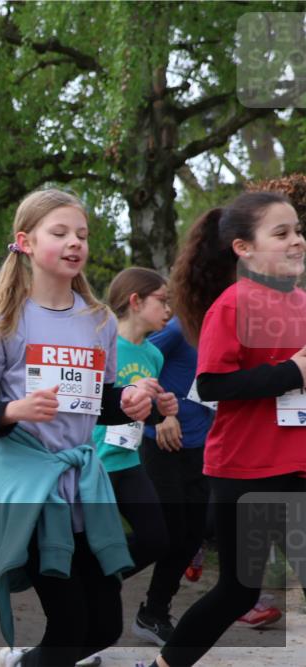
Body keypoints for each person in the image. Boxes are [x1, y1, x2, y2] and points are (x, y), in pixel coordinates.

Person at [0, 188, 159, 667]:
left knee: (105, 628)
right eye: (61, 232)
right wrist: (12, 412)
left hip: (86, 485)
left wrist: (129, 403)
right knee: (68, 627)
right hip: (29, 485)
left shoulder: (100, 321)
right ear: (25, 242)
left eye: (82, 235)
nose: (75, 243)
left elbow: (99, 401)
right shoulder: (4, 320)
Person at [141, 192, 306, 667]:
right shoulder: (233, 305)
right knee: (237, 591)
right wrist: (291, 373)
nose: (296, 240)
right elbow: (212, 383)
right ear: (243, 248)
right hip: (249, 472)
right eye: (281, 233)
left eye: (297, 230)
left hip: (295, 466)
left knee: (245, 589)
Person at [90, 268, 178, 647]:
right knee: (98, 545)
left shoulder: (154, 354)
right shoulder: (100, 343)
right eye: (162, 299)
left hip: (129, 462)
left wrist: (164, 410)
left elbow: (146, 412)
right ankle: (83, 626)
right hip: (96, 465)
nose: (169, 309)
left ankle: (91, 581)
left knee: (157, 539)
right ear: (135, 301)